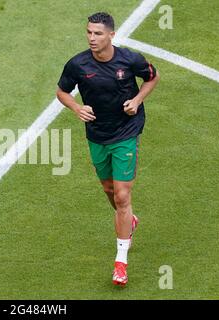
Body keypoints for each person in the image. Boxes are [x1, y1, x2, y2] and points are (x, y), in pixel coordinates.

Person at [56, 12, 160, 286]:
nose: (92, 38)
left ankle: (121, 263)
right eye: (89, 32)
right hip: (97, 135)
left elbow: (153, 77)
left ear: (111, 35)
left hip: (126, 132)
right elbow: (62, 92)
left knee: (123, 196)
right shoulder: (77, 65)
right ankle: (129, 222)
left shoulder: (130, 60)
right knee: (110, 191)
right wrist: (76, 107)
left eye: (98, 33)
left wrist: (137, 100)